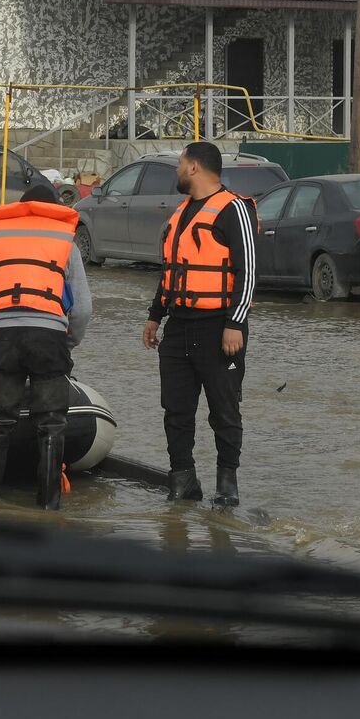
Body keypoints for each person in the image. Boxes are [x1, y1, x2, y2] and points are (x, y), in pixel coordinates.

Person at [142, 141, 255, 506]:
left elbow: (248, 271)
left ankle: (227, 487)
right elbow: (173, 270)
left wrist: (235, 323)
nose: (177, 170)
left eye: (179, 163)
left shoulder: (233, 209)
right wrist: (155, 315)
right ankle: (183, 481)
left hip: (219, 327)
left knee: (224, 408)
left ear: (194, 167)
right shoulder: (181, 213)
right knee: (175, 408)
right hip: (179, 326)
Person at [0, 182, 92, 509]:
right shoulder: (65, 242)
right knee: (52, 423)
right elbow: (83, 308)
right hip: (48, 338)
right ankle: (47, 507)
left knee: (1, 418)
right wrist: (67, 342)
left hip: (2, 335)